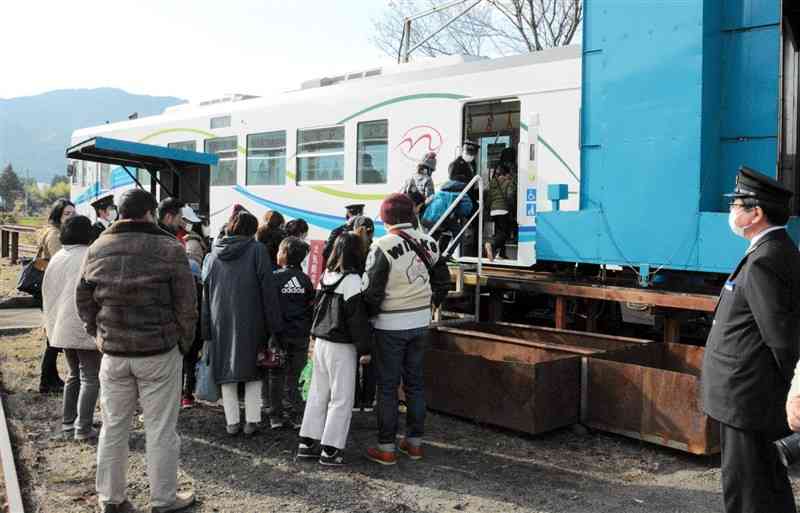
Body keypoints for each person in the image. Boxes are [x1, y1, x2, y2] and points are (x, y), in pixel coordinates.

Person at [76, 188, 197, 513]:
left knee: (114, 427)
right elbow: (187, 305)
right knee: (160, 430)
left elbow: (83, 299)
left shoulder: (98, 247)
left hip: (114, 354)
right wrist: (183, 342)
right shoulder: (170, 248)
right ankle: (164, 499)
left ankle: (111, 499)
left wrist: (98, 335)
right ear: (150, 213)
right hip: (158, 351)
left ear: (119, 212)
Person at [701, 166, 800, 513]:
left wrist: (794, 392)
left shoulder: (766, 259)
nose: (732, 212)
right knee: (765, 483)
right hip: (749, 397)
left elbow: (782, 337)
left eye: (735, 205)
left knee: (748, 490)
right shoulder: (773, 250)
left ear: (755, 213)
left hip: (748, 400)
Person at [362, 193, 450, 465]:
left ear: (385, 218)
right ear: (411, 215)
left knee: (387, 387)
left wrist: (370, 320)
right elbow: (443, 282)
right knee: (415, 384)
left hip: (389, 325)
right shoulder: (431, 243)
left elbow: (372, 292)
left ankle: (386, 447)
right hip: (420, 323)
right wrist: (428, 305)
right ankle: (414, 444)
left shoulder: (383, 246)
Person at [202, 211, 284, 436]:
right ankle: (252, 421)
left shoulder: (214, 254)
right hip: (252, 318)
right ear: (252, 230)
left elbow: (206, 295)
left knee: (226, 370)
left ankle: (231, 422)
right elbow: (268, 290)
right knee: (254, 370)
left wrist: (206, 328)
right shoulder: (257, 250)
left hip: (221, 321)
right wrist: (274, 326)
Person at [297, 232, 371, 466]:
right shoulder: (353, 281)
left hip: (321, 342)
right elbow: (357, 320)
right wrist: (365, 349)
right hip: (342, 346)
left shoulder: (326, 276)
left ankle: (307, 443)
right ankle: (330, 450)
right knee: (341, 398)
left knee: (318, 393)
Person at [42, 215, 102, 441]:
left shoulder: (58, 257)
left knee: (73, 375)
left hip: (61, 326)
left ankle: (69, 423)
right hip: (83, 325)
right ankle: (83, 428)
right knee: (90, 377)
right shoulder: (89, 255)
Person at [268, 237, 314, 430]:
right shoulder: (305, 280)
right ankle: (296, 415)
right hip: (300, 335)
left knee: (275, 375)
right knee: (295, 376)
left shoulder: (274, 277)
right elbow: (310, 307)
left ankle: (276, 416)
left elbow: (269, 307)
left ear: (284, 254)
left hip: (278, 336)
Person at [36, 198, 75, 394]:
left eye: (73, 214)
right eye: (67, 214)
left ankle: (51, 378)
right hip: (53, 290)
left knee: (53, 336)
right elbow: (62, 262)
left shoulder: (57, 232)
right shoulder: (54, 235)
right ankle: (46, 380)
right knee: (53, 336)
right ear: (58, 215)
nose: (71, 217)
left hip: (53, 288)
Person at [181, 222, 209, 409]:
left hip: (178, 326)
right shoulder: (199, 276)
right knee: (190, 361)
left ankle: (177, 395)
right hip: (195, 324)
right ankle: (187, 396)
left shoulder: (179, 271)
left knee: (179, 362)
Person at [421, 166, 474, 256]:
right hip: (442, 219)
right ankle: (447, 254)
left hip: (427, 218)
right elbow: (466, 210)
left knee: (437, 233)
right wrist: (457, 213)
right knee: (459, 233)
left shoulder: (440, 191)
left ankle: (426, 254)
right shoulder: (461, 193)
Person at [485, 161, 516, 260]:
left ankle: (502, 254)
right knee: (505, 233)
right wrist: (512, 208)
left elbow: (489, 198)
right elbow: (510, 196)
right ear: (506, 174)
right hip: (503, 210)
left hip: (493, 210)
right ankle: (491, 245)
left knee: (500, 232)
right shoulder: (508, 182)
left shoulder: (493, 183)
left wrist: (488, 208)